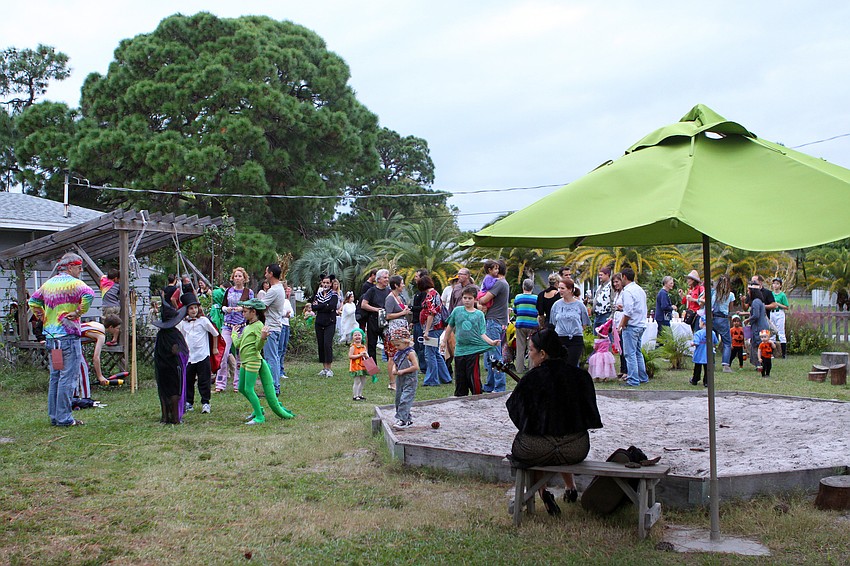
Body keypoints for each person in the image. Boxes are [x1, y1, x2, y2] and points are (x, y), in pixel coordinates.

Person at [506, 324, 603, 516]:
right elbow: (591, 417)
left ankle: (541, 492)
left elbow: (515, 412)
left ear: (542, 354)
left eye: (531, 350)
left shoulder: (531, 378)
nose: (529, 354)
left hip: (536, 449)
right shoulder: (581, 377)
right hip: (574, 449)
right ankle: (559, 488)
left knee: (529, 440)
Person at [28, 252, 95, 427]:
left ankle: (54, 416)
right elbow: (89, 294)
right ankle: (64, 418)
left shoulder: (48, 284)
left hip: (51, 338)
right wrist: (79, 312)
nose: (80, 271)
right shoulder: (76, 284)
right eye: (79, 267)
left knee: (56, 376)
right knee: (68, 377)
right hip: (68, 336)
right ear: (71, 267)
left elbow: (33, 301)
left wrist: (43, 317)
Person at [233, 299, 295, 425]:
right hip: (245, 361)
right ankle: (258, 409)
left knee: (249, 389)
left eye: (245, 311)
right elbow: (238, 344)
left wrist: (262, 338)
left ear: (253, 312)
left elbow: (258, 347)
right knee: (241, 388)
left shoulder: (259, 326)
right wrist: (234, 334)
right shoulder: (248, 326)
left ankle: (260, 417)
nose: (243, 314)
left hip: (253, 361)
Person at [442, 285, 501, 396]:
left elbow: (482, 333)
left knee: (473, 376)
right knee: (460, 376)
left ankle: (477, 396)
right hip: (459, 350)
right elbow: (450, 326)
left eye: (470, 298)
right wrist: (444, 341)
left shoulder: (479, 314)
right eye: (465, 298)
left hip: (473, 350)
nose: (467, 300)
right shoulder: (457, 311)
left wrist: (491, 342)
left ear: (475, 299)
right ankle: (460, 396)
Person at [176, 293, 219, 414]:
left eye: (195, 307)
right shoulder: (183, 323)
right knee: (188, 380)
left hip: (202, 355)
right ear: (186, 310)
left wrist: (214, 348)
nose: (194, 310)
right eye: (191, 308)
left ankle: (205, 402)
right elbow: (179, 336)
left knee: (204, 380)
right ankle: (188, 401)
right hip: (189, 356)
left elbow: (215, 333)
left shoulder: (203, 321)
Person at [216, 267, 253, 392]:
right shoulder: (228, 291)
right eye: (235, 276)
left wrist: (242, 309)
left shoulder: (249, 292)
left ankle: (238, 384)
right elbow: (223, 306)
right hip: (228, 325)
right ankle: (220, 384)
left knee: (240, 355)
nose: (237, 278)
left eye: (240, 276)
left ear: (244, 278)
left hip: (241, 326)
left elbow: (252, 307)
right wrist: (226, 309)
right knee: (224, 353)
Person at [152, 301, 189, 424]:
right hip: (174, 367)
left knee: (163, 391)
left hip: (161, 368)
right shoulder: (175, 334)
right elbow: (181, 351)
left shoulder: (160, 335)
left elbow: (157, 353)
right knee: (174, 391)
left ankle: (165, 417)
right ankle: (175, 418)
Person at [479, 259, 510, 393]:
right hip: (499, 321)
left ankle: (499, 387)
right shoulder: (504, 283)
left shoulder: (499, 284)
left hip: (494, 321)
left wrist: (480, 299)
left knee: (495, 356)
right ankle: (490, 385)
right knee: (490, 355)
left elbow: (483, 299)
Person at [75, 315, 122, 401]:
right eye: (117, 328)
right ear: (111, 327)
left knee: (76, 370)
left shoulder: (97, 325)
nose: (117, 331)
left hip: (70, 340)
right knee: (83, 367)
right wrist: (100, 376)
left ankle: (75, 396)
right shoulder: (101, 335)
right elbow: (96, 357)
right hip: (71, 341)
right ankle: (86, 398)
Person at [548, 277, 591, 367]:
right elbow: (553, 322)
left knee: (571, 365)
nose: (560, 290)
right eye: (559, 288)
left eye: (562, 288)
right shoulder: (556, 305)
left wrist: (575, 330)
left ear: (570, 290)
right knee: (560, 365)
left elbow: (584, 323)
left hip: (575, 339)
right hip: (560, 338)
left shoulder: (580, 305)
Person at [419, 274, 453, 386]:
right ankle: (445, 377)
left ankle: (432, 379)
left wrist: (427, 330)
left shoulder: (430, 295)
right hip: (437, 327)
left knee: (429, 354)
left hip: (433, 328)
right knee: (436, 353)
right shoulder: (436, 293)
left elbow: (431, 313)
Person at [258, 263, 287, 393]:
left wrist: (245, 306)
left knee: (271, 358)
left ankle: (274, 387)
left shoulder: (274, 290)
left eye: (266, 272)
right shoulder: (279, 288)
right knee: (273, 357)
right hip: (276, 326)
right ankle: (273, 386)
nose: (265, 274)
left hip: (272, 328)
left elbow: (261, 306)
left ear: (271, 274)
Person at [618, 267, 649, 387]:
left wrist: (621, 325)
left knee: (629, 354)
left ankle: (633, 379)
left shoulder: (627, 291)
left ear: (624, 277)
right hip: (640, 324)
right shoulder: (639, 289)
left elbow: (628, 312)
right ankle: (642, 376)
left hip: (631, 326)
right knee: (637, 352)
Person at [384, 275, 412, 390]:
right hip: (394, 330)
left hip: (401, 329)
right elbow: (388, 315)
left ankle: (401, 379)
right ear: (396, 285)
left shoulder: (399, 297)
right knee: (393, 356)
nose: (403, 285)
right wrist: (402, 313)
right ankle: (392, 382)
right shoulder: (390, 298)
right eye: (402, 283)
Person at [704, 274, 735, 373]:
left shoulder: (713, 293)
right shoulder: (730, 295)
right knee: (726, 342)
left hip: (712, 318)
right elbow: (730, 309)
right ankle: (726, 365)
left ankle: (711, 363)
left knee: (711, 341)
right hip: (723, 318)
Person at [360, 269, 391, 366]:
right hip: (373, 320)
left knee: (388, 344)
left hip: (385, 321)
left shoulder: (389, 291)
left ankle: (392, 366)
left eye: (387, 277)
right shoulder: (372, 290)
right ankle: (372, 367)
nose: (387, 279)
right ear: (378, 279)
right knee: (371, 345)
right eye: (385, 277)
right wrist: (377, 310)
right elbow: (363, 305)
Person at [390, 326, 419, 430]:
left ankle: (402, 420)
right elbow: (395, 363)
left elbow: (416, 367)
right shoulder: (399, 353)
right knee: (398, 398)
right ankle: (407, 418)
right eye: (395, 345)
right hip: (400, 379)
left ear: (406, 342)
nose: (396, 347)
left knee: (405, 398)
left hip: (410, 379)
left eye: (398, 344)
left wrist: (403, 371)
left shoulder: (410, 353)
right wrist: (394, 368)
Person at [312, 274, 340, 377]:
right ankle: (324, 368)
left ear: (331, 283)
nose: (325, 284)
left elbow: (331, 306)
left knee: (327, 344)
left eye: (327, 283)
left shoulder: (334, 295)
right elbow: (313, 307)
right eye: (324, 282)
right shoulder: (318, 294)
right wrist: (323, 306)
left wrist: (320, 306)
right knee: (321, 345)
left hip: (330, 322)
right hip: (319, 322)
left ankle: (329, 368)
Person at [513, 279, 538, 373]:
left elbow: (515, 311)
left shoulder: (518, 297)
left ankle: (519, 369)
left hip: (520, 323)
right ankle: (531, 368)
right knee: (532, 347)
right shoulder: (536, 298)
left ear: (523, 287)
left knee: (520, 347)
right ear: (532, 287)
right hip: (532, 324)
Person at [744, 284, 769, 369]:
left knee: (758, 345)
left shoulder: (755, 302)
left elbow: (756, 315)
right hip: (761, 326)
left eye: (749, 291)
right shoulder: (759, 301)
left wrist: (748, 320)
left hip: (759, 327)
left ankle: (760, 363)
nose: (748, 292)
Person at [690, 316, 718, 387]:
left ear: (702, 323)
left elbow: (696, 342)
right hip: (708, 354)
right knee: (707, 369)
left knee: (697, 368)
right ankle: (706, 382)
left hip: (699, 354)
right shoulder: (712, 333)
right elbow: (715, 342)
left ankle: (695, 380)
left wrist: (692, 344)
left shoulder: (698, 333)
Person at [411, 269, 429, 374]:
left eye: (417, 276)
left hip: (422, 323)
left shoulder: (424, 293)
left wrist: (411, 308)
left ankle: (424, 367)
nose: (415, 278)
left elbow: (423, 308)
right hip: (416, 322)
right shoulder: (418, 292)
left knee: (421, 346)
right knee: (417, 346)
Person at [99, 268, 121, 346]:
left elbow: (103, 276)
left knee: (105, 323)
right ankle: (114, 339)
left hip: (107, 307)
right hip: (116, 306)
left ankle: (102, 339)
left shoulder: (104, 282)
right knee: (116, 323)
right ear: (115, 278)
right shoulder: (117, 286)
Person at [278, 282, 295, 380]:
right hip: (280, 325)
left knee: (284, 348)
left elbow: (291, 313)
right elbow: (279, 313)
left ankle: (282, 369)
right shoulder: (278, 301)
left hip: (286, 325)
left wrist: (287, 314)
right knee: (279, 349)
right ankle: (278, 370)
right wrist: (285, 314)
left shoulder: (286, 301)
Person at [770, 277, 789, 358]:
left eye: (777, 284)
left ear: (780, 285)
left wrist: (777, 304)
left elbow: (786, 306)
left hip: (779, 313)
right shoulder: (771, 294)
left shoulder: (782, 295)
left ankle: (783, 354)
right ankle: (771, 353)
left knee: (781, 332)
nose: (775, 285)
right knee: (772, 332)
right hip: (772, 312)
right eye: (774, 283)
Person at [349, 328, 369, 400]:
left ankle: (360, 394)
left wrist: (366, 355)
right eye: (355, 335)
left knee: (363, 381)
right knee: (357, 381)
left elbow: (367, 356)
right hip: (356, 367)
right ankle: (355, 395)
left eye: (359, 335)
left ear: (362, 336)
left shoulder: (363, 347)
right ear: (353, 337)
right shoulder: (352, 347)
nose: (357, 336)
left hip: (363, 366)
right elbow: (350, 356)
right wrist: (359, 355)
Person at [592, 266, 613, 331]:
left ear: (607, 275)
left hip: (606, 315)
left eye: (601, 275)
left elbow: (613, 300)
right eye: (599, 275)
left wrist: (612, 315)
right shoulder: (600, 287)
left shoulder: (611, 286)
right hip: (597, 315)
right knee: (597, 338)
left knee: (605, 337)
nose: (599, 277)